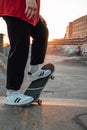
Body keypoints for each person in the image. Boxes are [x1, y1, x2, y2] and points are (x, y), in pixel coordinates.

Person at [0, 0, 51, 106]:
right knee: (20, 47)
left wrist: (37, 13)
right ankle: (11, 94)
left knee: (42, 32)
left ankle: (34, 71)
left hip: (26, 8)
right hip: (15, 6)